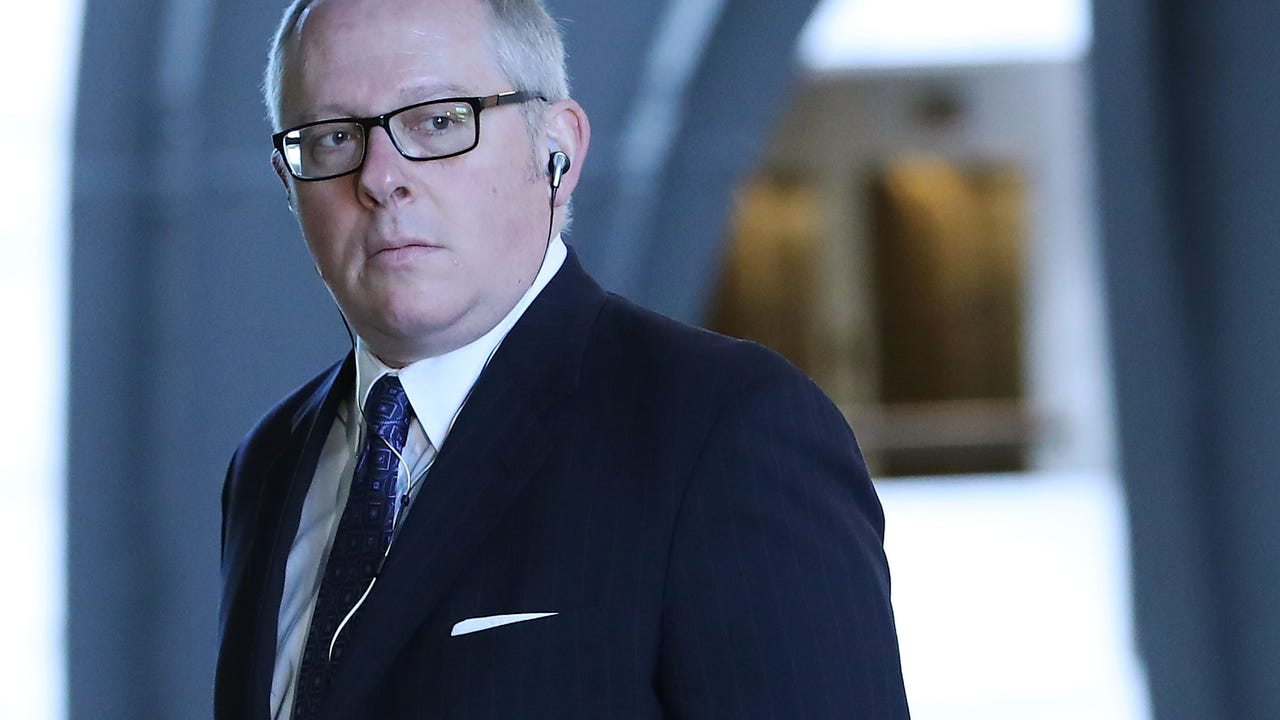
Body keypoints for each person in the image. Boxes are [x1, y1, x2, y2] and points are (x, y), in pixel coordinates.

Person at [215, 0, 911, 717]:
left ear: (558, 151)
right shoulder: (269, 463)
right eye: (333, 138)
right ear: (288, 185)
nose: (379, 177)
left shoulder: (723, 429)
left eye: (439, 121)